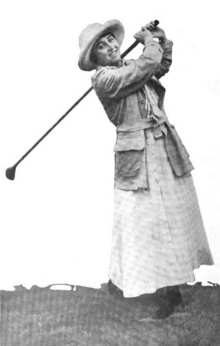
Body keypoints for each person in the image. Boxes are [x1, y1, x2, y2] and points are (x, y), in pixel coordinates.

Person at [78, 19, 214, 319]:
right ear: (95, 59)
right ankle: (132, 283)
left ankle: (167, 287)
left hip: (163, 146)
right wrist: (149, 44)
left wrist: (160, 40)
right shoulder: (104, 79)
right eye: (101, 46)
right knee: (142, 222)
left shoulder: (129, 66)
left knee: (172, 217)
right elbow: (144, 66)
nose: (110, 46)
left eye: (111, 40)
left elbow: (158, 66)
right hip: (137, 158)